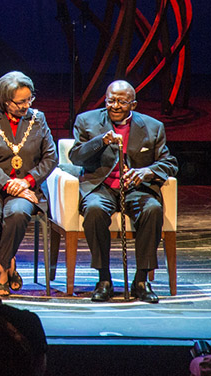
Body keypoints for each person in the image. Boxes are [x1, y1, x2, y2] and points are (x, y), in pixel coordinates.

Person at [69, 79, 178, 303]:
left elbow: (170, 163)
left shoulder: (153, 127)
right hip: (102, 186)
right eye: (111, 101)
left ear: (134, 104)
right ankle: (104, 279)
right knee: (95, 210)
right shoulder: (86, 121)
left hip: (136, 189)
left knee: (153, 209)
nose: (115, 106)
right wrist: (101, 141)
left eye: (122, 102)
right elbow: (76, 156)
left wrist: (146, 172)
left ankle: (140, 280)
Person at [0, 71, 56, 296]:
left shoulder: (38, 119)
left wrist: (27, 182)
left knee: (17, 214)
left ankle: (0, 269)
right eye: (20, 102)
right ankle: (9, 264)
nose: (26, 105)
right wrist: (8, 184)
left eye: (29, 99)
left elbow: (50, 158)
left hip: (26, 187)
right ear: (5, 100)